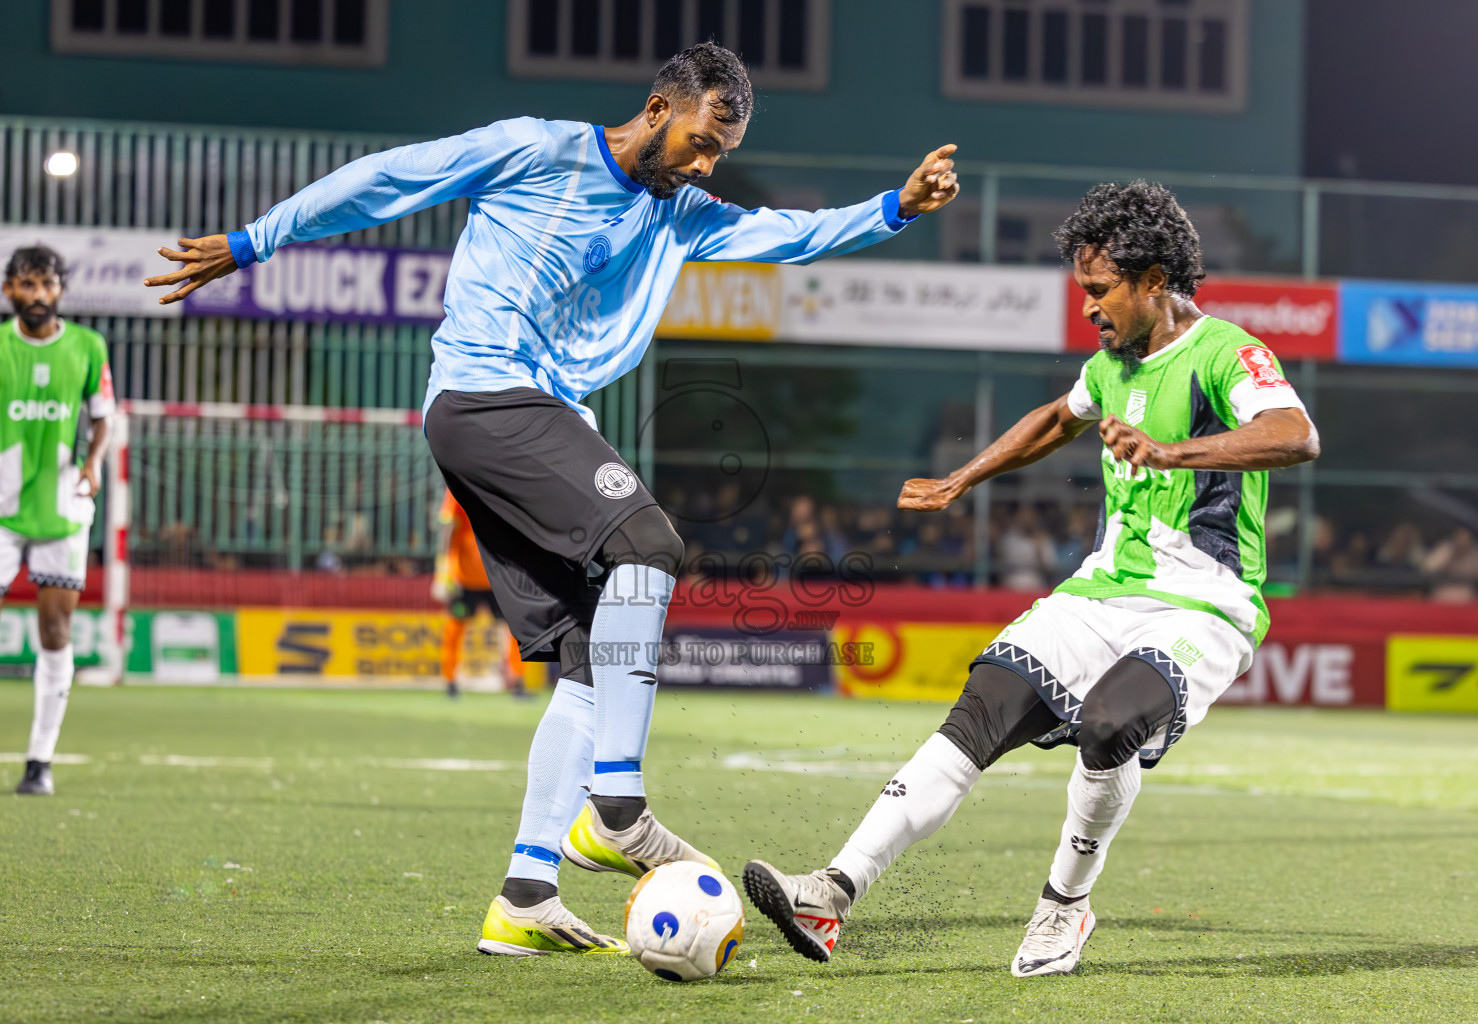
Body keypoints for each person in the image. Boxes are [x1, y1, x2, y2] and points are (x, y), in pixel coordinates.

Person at [144, 42, 960, 957]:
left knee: (587, 656)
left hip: (520, 417)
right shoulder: (536, 150)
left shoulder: (680, 212)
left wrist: (894, 208)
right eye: (697, 142)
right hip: (487, 397)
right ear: (658, 107)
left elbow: (792, 235)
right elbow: (389, 179)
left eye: (719, 155)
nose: (704, 166)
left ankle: (525, 896)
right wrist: (257, 239)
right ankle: (615, 806)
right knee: (649, 545)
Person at [743, 181, 1320, 977]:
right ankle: (831, 893)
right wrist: (961, 479)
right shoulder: (1113, 363)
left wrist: (1175, 451)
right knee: (981, 709)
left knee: (1111, 723)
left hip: (1204, 602)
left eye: (1098, 290)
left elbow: (1294, 434)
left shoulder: (1227, 352)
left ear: (1154, 280)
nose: (1087, 308)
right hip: (1101, 591)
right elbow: (1057, 419)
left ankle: (1064, 906)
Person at [0, 246, 115, 796]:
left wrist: (93, 464)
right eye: (26, 285)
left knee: (56, 631)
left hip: (63, 509)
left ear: (61, 289)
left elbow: (103, 420)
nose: (37, 295)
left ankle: (39, 761)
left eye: (46, 284)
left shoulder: (89, 348)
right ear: (8, 291)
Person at [433, 490, 524, 696]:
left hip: (497, 574)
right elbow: (447, 527)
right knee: (455, 627)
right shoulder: (457, 485)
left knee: (513, 630)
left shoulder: (501, 485)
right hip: (466, 576)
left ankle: (516, 680)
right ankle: (450, 681)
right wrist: (442, 569)